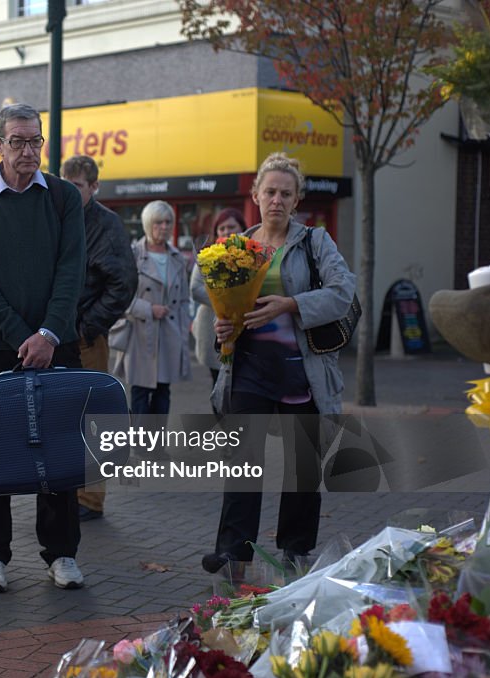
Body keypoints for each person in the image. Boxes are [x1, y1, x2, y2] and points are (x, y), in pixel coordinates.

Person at [202, 152, 356, 574]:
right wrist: (224, 328)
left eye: (286, 193)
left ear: (297, 198)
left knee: (302, 469)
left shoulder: (314, 242)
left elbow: (343, 292)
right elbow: (227, 307)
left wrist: (291, 304)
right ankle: (233, 554)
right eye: (269, 191)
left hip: (302, 372)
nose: (276, 200)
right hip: (249, 369)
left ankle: (295, 549)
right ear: (255, 194)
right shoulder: (236, 248)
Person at [0, 103, 86, 593]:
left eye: (36, 141)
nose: (28, 151)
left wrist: (49, 334)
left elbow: (71, 271)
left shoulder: (63, 197)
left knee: (59, 446)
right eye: (18, 141)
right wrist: (20, 337)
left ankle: (62, 554)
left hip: (56, 343)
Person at [60, 155, 137, 522]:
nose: (71, 192)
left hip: (87, 336)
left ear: (94, 187)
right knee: (62, 418)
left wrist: (88, 326)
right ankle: (67, 492)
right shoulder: (58, 216)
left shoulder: (107, 224)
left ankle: (90, 500)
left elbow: (123, 284)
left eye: (78, 186)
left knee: (94, 419)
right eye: (67, 184)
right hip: (57, 334)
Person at [112, 200, 192, 416]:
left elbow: (184, 300)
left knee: (163, 392)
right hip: (140, 333)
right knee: (140, 391)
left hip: (169, 333)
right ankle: (140, 447)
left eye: (168, 222)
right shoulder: (132, 254)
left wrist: (185, 328)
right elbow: (119, 297)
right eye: (158, 222)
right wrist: (148, 309)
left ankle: (156, 447)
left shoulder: (177, 258)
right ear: (148, 225)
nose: (164, 227)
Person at [190, 208, 246, 384]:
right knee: (218, 382)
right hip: (211, 328)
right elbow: (195, 289)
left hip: (244, 328)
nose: (226, 231)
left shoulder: (252, 255)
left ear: (242, 228)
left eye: (231, 226)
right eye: (221, 228)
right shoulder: (207, 255)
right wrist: (227, 302)